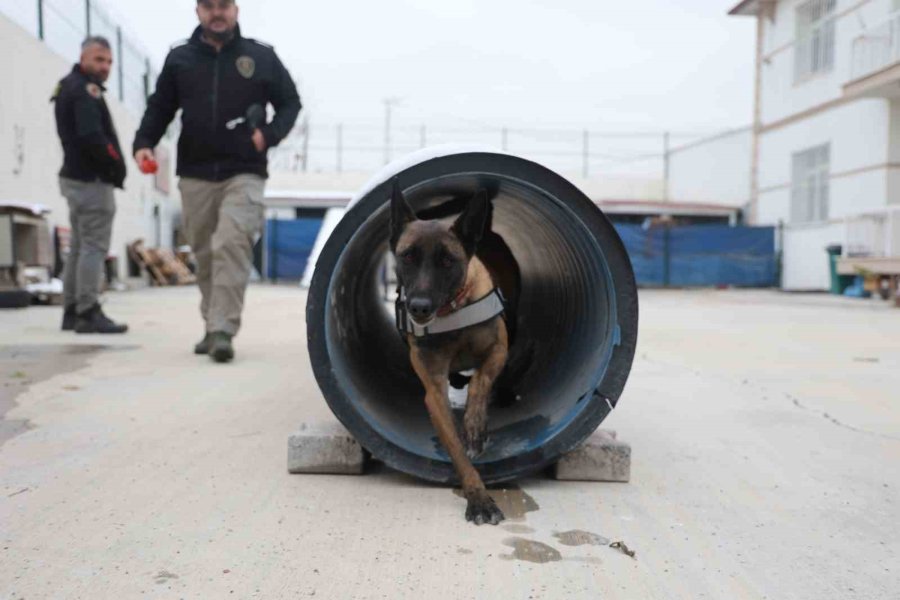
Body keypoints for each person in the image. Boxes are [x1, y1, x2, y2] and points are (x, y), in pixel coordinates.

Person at [133, 0, 301, 363]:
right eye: (208, 6)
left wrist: (268, 135)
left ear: (236, 9)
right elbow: (160, 107)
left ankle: (224, 328)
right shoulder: (180, 58)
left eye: (223, 5)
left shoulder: (261, 56)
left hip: (244, 170)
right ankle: (212, 324)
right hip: (195, 172)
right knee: (206, 253)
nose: (217, 12)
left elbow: (290, 103)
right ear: (197, 11)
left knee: (231, 243)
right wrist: (143, 143)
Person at [53, 36, 128, 334]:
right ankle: (87, 310)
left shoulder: (67, 85)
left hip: (75, 178)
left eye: (109, 61)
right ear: (83, 57)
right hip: (91, 180)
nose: (105, 66)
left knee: (80, 247)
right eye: (99, 59)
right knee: (94, 247)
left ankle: (71, 310)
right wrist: (115, 166)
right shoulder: (85, 91)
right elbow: (93, 138)